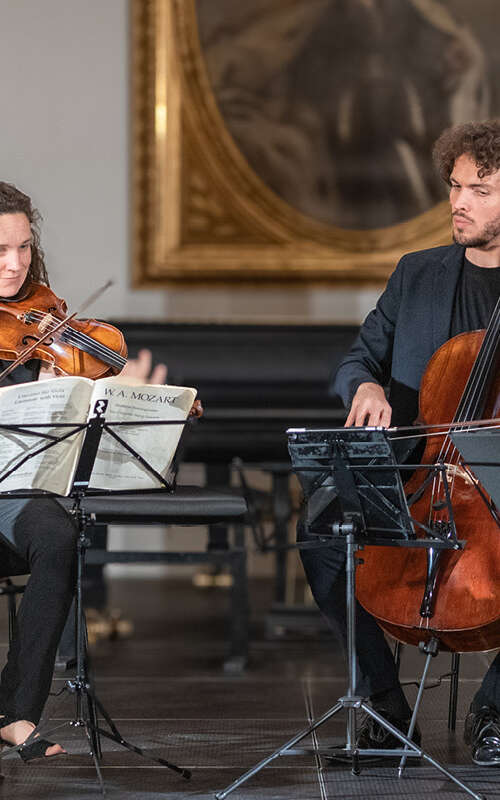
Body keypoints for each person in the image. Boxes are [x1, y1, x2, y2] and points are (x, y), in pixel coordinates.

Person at [299, 118, 500, 766]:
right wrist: (367, 389)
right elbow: (357, 360)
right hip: (422, 473)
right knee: (326, 532)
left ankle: (494, 709)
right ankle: (387, 714)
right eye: (454, 186)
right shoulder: (418, 274)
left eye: (480, 189)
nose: (458, 202)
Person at [0, 181, 199, 760]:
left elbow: (77, 390)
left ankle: (16, 712)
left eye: (23, 249)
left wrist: (118, 395)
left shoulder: (39, 315)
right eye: (0, 251)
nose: (14, 266)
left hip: (14, 488)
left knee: (59, 534)